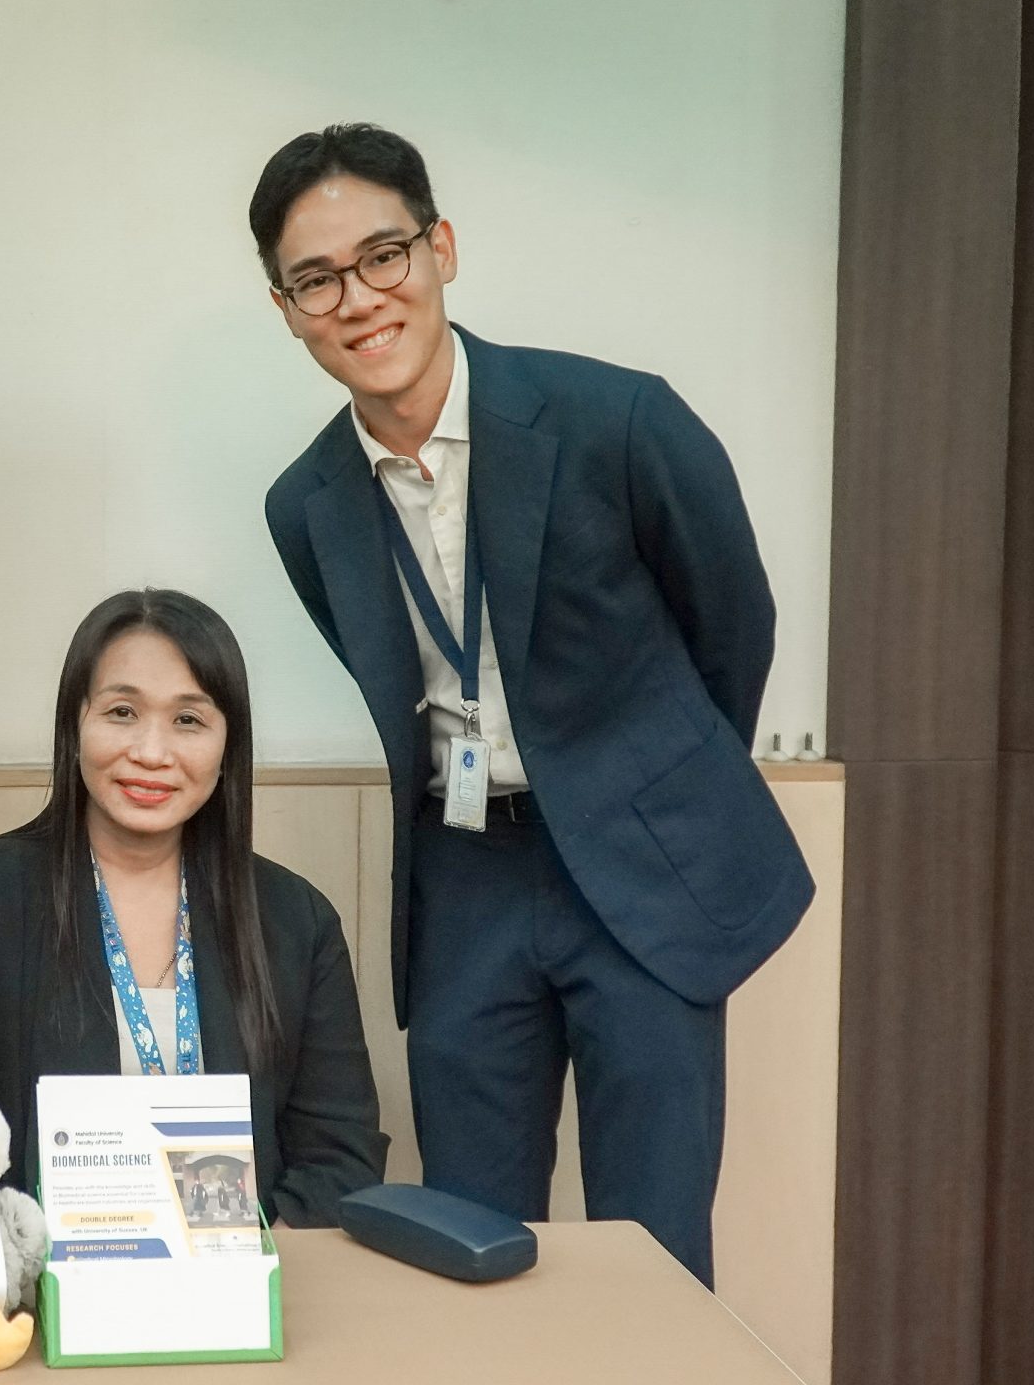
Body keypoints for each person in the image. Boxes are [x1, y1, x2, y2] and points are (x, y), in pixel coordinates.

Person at [256, 124, 814, 1283]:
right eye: (317, 280)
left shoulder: (615, 419)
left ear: (441, 249)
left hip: (639, 871)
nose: (358, 299)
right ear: (286, 309)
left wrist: (645, 788)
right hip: (466, 878)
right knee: (467, 1243)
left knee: (652, 1250)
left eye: (383, 256)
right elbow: (389, 682)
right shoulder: (305, 505)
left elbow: (732, 626)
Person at [0, 589, 385, 1227]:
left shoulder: (294, 919)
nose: (152, 752)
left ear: (228, 745)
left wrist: (243, 1257)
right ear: (74, 725)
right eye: (122, 712)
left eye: (188, 720)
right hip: (34, 1276)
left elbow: (341, 1156)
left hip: (251, 1271)